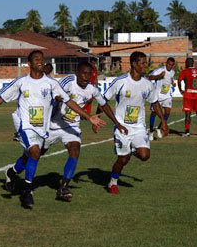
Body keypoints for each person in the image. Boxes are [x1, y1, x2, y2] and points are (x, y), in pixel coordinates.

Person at [0, 50, 106, 208]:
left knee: (32, 155)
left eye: (42, 59)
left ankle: (11, 172)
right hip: (24, 123)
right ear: (29, 64)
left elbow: (69, 102)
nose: (40, 61)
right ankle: (27, 190)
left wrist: (88, 117)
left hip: (43, 127)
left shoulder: (52, 84)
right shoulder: (21, 82)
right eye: (37, 59)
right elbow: (1, 98)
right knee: (35, 152)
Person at [10, 62, 127, 201]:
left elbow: (104, 105)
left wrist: (117, 124)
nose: (86, 77)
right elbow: (57, 93)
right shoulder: (68, 81)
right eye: (83, 73)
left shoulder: (92, 90)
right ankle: (12, 172)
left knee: (75, 150)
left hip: (71, 127)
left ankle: (63, 187)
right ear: (77, 72)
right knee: (34, 154)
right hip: (52, 125)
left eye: (89, 74)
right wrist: (59, 97)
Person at [103, 51, 168, 195]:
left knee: (144, 155)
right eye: (143, 63)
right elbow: (103, 101)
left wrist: (163, 121)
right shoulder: (120, 82)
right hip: (122, 128)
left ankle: (132, 149)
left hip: (139, 127)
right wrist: (103, 119)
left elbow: (155, 102)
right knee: (123, 159)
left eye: (146, 62)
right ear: (134, 64)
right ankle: (112, 183)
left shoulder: (147, 84)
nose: (146, 65)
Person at [148, 57, 176, 140]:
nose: (169, 66)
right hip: (157, 95)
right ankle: (151, 131)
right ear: (166, 63)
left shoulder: (173, 72)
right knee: (154, 113)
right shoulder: (160, 70)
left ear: (173, 65)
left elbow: (170, 79)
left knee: (167, 112)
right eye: (168, 64)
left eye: (171, 65)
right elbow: (149, 77)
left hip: (167, 95)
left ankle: (159, 128)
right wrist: (159, 76)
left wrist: (173, 83)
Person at [178, 57, 197, 137]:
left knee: (188, 114)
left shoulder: (185, 71)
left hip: (188, 94)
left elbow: (179, 80)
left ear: (187, 63)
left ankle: (187, 132)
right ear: (192, 63)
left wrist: (181, 90)